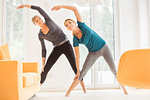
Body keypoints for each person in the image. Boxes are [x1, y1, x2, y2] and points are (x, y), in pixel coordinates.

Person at [52, 5, 128, 96]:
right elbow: (77, 56)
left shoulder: (82, 25)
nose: (69, 25)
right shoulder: (75, 39)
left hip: (104, 47)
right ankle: (67, 94)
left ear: (74, 23)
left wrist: (61, 6)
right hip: (93, 53)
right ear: (67, 28)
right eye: (67, 26)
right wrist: (77, 71)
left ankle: (125, 90)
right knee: (81, 75)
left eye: (69, 23)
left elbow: (75, 9)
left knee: (114, 71)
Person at [17, 4, 86, 93]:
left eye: (40, 19)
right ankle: (35, 90)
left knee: (75, 68)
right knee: (45, 70)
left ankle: (84, 89)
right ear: (35, 24)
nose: (40, 21)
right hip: (57, 48)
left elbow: (39, 8)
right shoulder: (40, 35)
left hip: (66, 44)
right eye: (37, 21)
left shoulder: (48, 21)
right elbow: (43, 49)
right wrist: (43, 65)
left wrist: (26, 5)